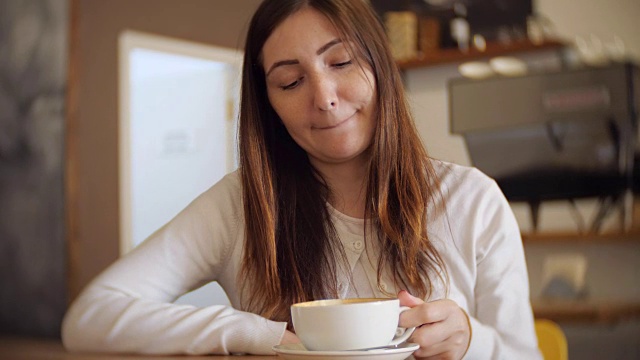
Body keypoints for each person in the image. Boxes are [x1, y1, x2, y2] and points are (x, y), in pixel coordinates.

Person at [62, 0, 541, 359]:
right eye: (291, 82)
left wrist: (471, 340)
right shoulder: (241, 205)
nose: (325, 97)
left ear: (379, 65)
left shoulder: (471, 200)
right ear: (268, 103)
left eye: (341, 62)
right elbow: (90, 317)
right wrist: (252, 332)